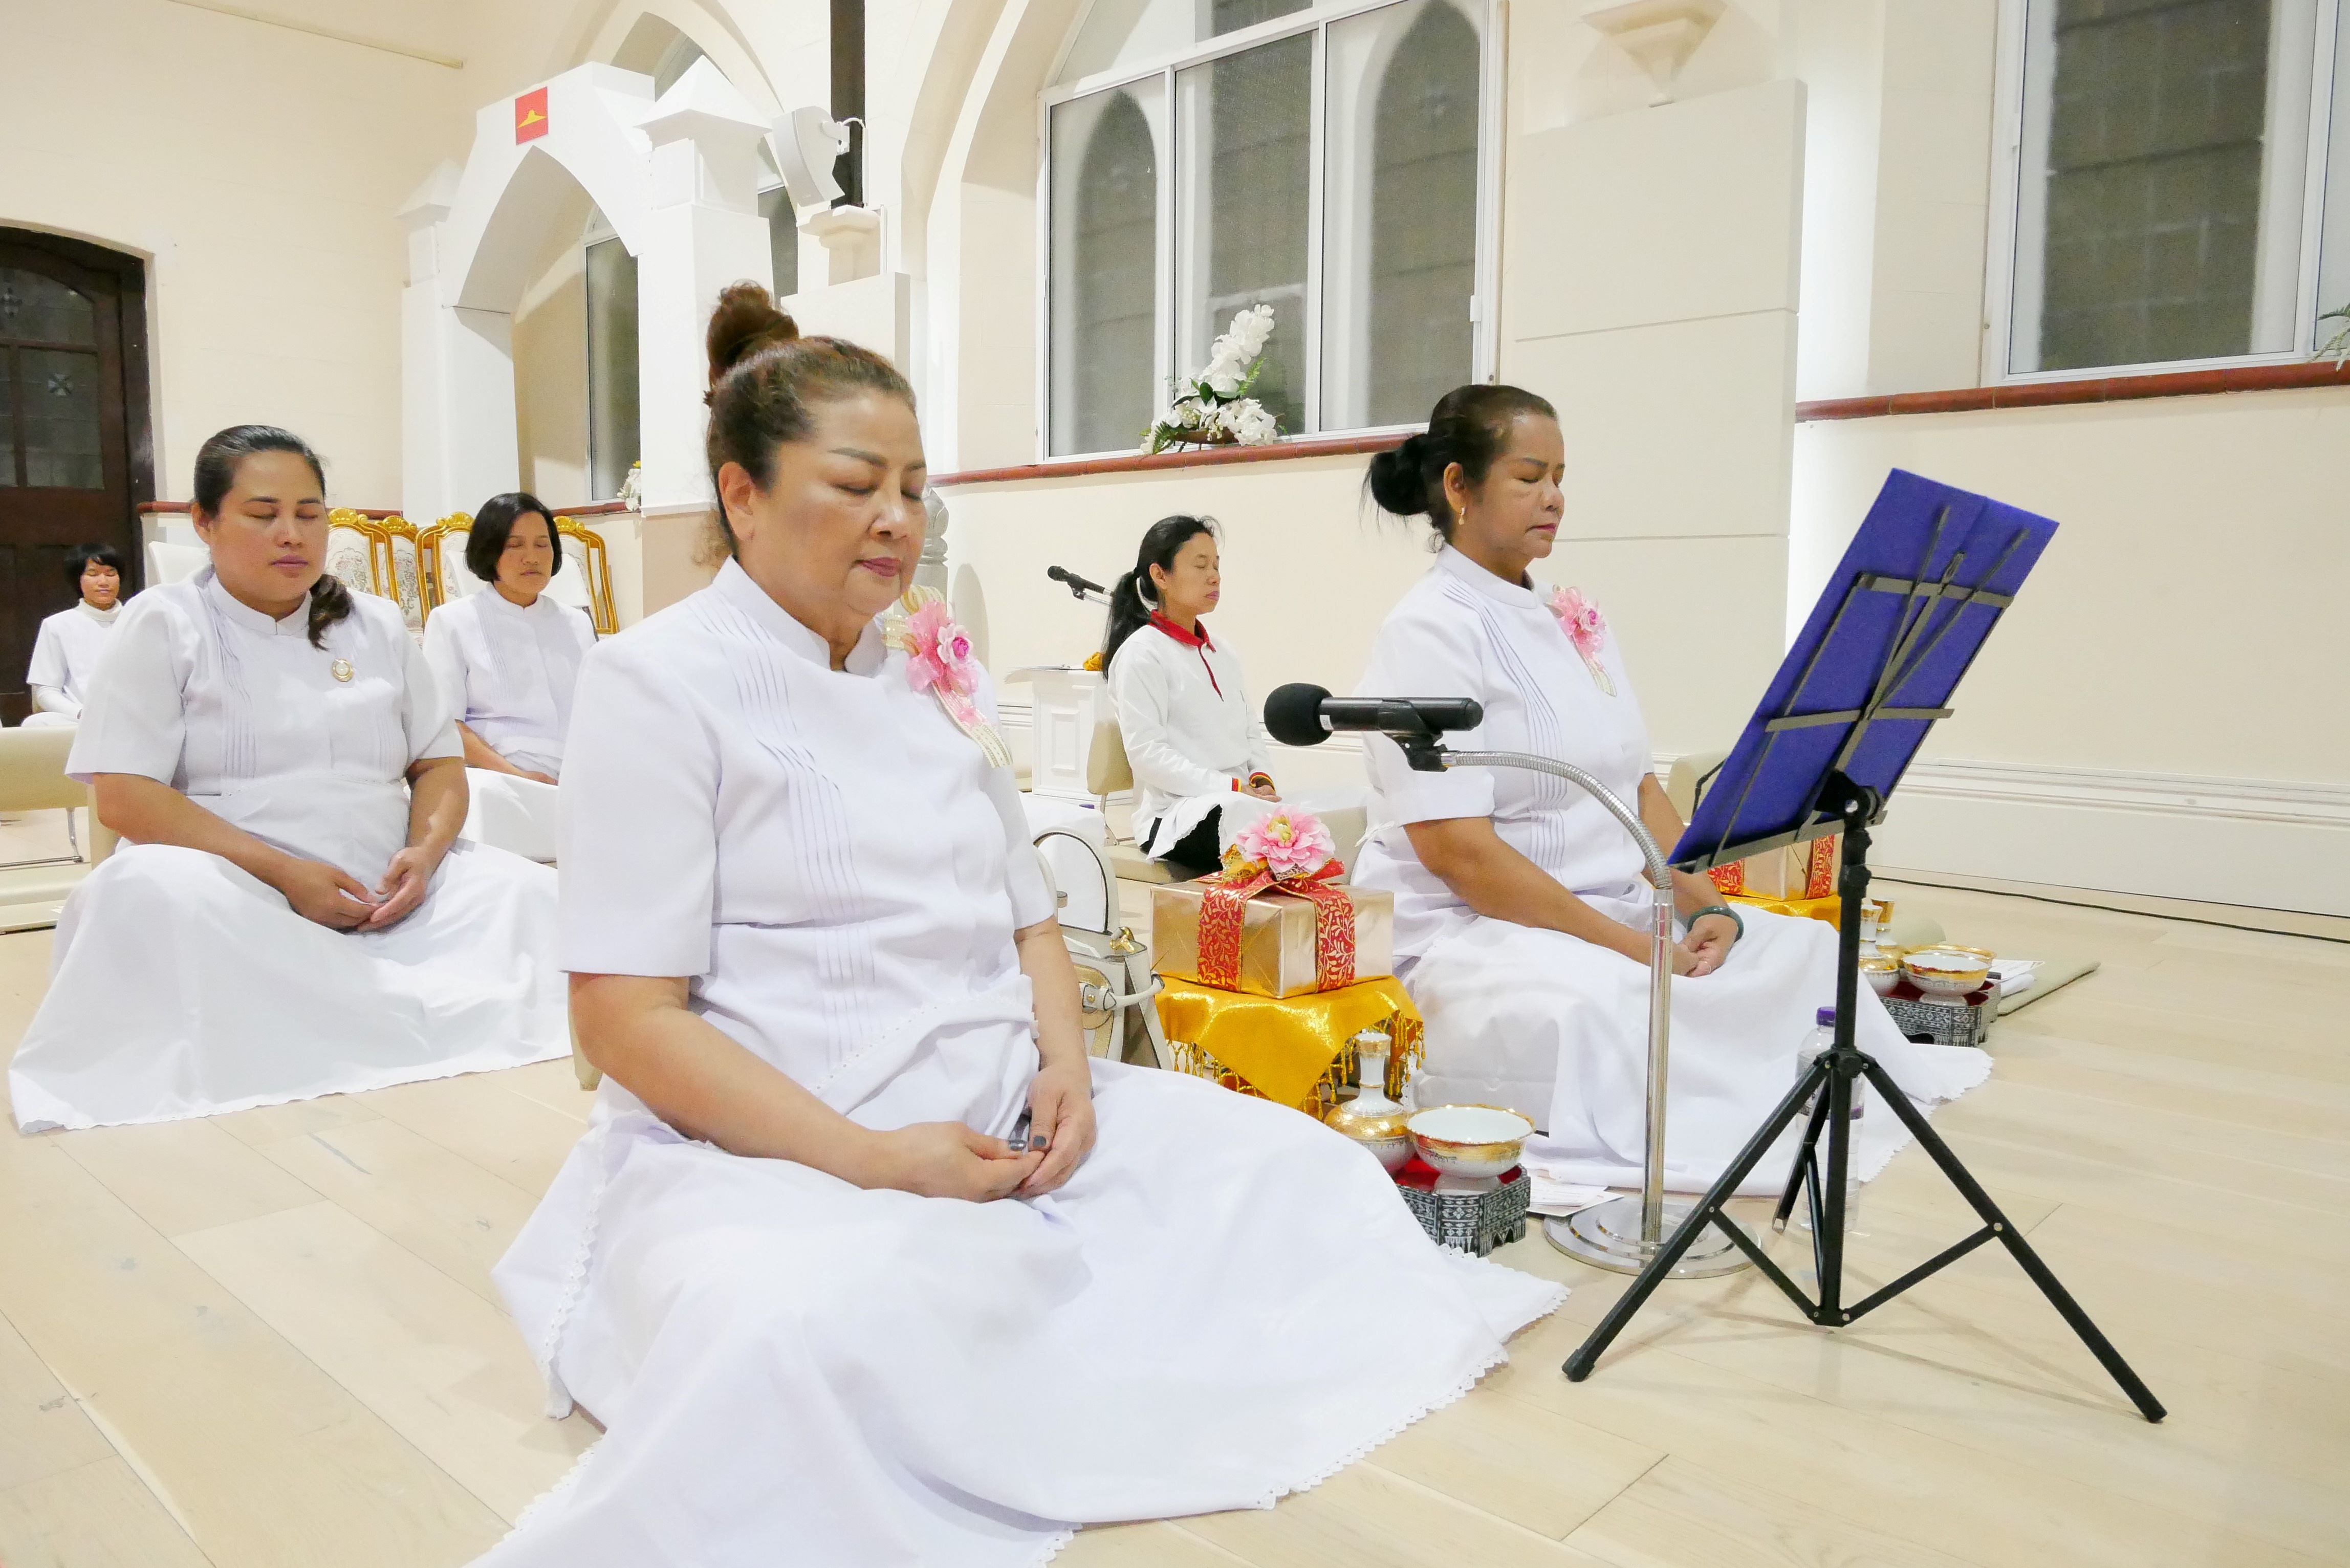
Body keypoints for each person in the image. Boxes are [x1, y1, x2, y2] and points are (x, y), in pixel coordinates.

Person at [477, 286, 1561, 1568]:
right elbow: (624, 1016)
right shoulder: (656, 680)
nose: (898, 517)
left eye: (914, 486)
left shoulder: (924, 675)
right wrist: (873, 1158)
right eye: (857, 483)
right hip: (778, 1147)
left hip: (1008, 1110)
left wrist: (1068, 1071)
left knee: (1301, 1171)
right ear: (742, 494)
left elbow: (1031, 918)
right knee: (808, 1328)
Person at [1351, 384, 1989, 1193]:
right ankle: (1723, 1130)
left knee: (1801, 952)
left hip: (1611, 909)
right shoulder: (1428, 629)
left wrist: (1707, 907)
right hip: (1478, 928)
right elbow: (1461, 856)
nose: (1554, 498)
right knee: (1617, 1003)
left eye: (1560, 478)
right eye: (1529, 477)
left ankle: (1797, 1107)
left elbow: (1638, 789)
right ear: (1458, 486)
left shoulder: (1572, 617)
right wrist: (1637, 947)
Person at [7, 426, 569, 1133]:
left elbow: (437, 764)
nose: (291, 534)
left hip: (392, 884)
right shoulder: (164, 622)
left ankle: (371, 1011)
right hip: (240, 886)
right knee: (145, 893)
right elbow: (124, 796)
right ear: (205, 522)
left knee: (535, 896)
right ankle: (359, 1021)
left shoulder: (375, 623)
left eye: (309, 514)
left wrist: (425, 857)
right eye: (263, 513)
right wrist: (286, 873)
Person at [421, 492, 596, 862]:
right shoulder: (453, 622)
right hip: (501, 776)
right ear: (490, 552)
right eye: (515, 545)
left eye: (542, 544)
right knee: (491, 801)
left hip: (578, 773)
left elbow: (600, 713)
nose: (532, 557)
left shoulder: (576, 623)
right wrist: (517, 774)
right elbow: (446, 725)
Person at [1102, 515, 1278, 875]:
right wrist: (1234, 787)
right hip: (1175, 814)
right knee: (1254, 824)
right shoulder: (1142, 654)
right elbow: (1148, 755)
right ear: (1160, 575)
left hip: (1238, 799)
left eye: (1216, 566)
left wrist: (1261, 781)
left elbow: (1250, 732)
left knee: (1316, 816)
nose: (1214, 577)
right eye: (1200, 566)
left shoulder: (1223, 652)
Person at [23, 542, 126, 727]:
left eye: (111, 574)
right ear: (78, 579)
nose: (103, 582)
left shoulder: (139, 620)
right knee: (36, 724)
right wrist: (81, 714)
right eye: (93, 574)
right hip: (81, 719)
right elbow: (46, 691)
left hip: (134, 717)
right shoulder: (57, 625)